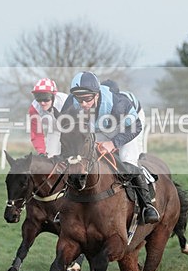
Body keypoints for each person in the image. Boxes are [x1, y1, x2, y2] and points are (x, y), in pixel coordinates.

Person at [60, 71, 159, 224]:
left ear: (97, 94)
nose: (83, 104)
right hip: (100, 126)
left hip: (126, 126)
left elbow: (135, 126)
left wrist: (113, 143)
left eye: (87, 99)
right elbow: (65, 126)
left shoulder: (117, 105)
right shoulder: (72, 102)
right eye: (79, 99)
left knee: (127, 161)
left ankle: (148, 206)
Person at [28, 78, 68, 157]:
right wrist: (41, 151)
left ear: (54, 96)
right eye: (38, 98)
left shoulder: (65, 101)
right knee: (50, 159)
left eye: (46, 98)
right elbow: (36, 133)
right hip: (54, 131)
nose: (42, 103)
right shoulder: (34, 109)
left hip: (71, 131)